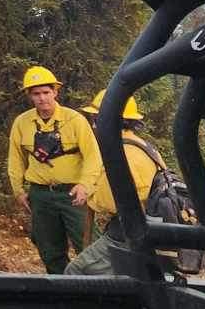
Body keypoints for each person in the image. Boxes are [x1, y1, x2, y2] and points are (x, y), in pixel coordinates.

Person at [6, 66, 104, 275]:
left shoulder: (75, 120)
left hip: (73, 194)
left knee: (88, 247)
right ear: (29, 96)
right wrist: (18, 190)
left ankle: (98, 293)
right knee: (49, 250)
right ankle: (61, 293)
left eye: (46, 92)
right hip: (40, 195)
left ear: (55, 92)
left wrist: (85, 185)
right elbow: (16, 159)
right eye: (36, 94)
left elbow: (93, 157)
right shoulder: (22, 123)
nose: (42, 98)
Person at [67, 90, 164, 277]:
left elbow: (109, 202)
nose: (93, 125)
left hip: (127, 232)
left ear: (108, 120)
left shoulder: (121, 152)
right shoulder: (143, 146)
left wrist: (90, 194)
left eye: (95, 119)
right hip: (149, 228)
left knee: (77, 271)